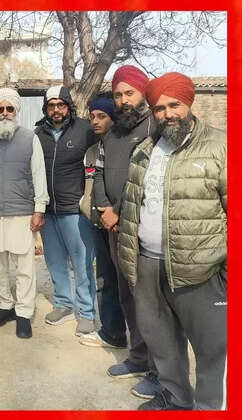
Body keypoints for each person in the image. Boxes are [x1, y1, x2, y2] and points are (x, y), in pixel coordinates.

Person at [118, 72, 227, 410]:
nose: (168, 114)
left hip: (202, 270)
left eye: (174, 105)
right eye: (159, 108)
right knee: (161, 340)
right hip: (148, 265)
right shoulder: (145, 151)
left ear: (189, 103)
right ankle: (176, 398)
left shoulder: (220, 147)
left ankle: (210, 408)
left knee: (212, 349)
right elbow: (133, 207)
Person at [93, 65, 160, 399]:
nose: (123, 100)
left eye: (129, 93)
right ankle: (137, 357)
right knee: (127, 297)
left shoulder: (156, 130)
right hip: (114, 229)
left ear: (143, 93)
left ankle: (160, 372)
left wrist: (119, 211)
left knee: (150, 303)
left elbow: (150, 181)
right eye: (118, 95)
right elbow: (99, 174)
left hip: (143, 231)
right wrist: (105, 209)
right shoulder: (113, 135)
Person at [0, 88, 49, 338]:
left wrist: (39, 209)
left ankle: (23, 312)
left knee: (24, 265)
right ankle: (5, 305)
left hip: (21, 212)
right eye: (0, 109)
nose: (4, 113)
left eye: (9, 108)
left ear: (16, 110)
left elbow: (39, 176)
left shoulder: (29, 138)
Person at [34, 85, 97, 336]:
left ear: (68, 106)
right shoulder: (39, 134)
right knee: (55, 261)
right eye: (51, 106)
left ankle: (87, 313)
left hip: (75, 211)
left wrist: (88, 199)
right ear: (46, 108)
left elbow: (97, 163)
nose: (56, 110)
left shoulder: (85, 130)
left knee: (82, 264)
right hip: (48, 210)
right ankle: (63, 304)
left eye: (60, 105)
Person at [77, 96, 129, 349]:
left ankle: (140, 340)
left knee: (126, 282)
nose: (95, 121)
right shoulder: (91, 152)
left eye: (102, 116)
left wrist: (115, 213)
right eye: (92, 116)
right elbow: (91, 186)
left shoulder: (125, 147)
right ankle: (112, 332)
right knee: (105, 279)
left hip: (120, 224)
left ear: (113, 118)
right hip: (98, 223)